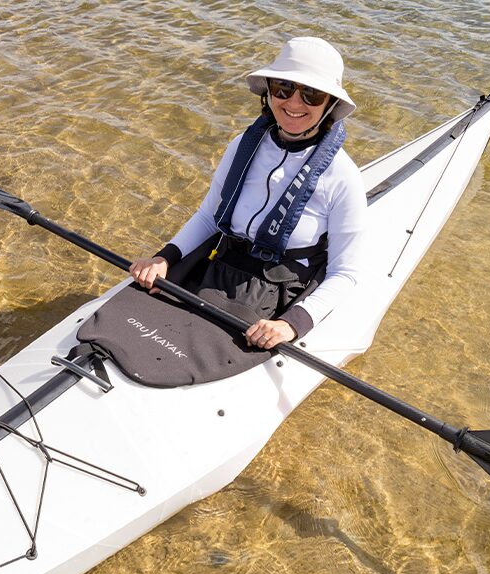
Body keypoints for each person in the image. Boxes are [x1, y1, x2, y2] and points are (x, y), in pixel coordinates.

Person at [130, 37, 366, 351]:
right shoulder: (244, 145)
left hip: (278, 293)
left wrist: (290, 325)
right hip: (221, 268)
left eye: (312, 94)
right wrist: (165, 257)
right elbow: (209, 218)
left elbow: (344, 273)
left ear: (329, 104)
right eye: (284, 88)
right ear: (268, 92)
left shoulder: (342, 175)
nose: (294, 104)